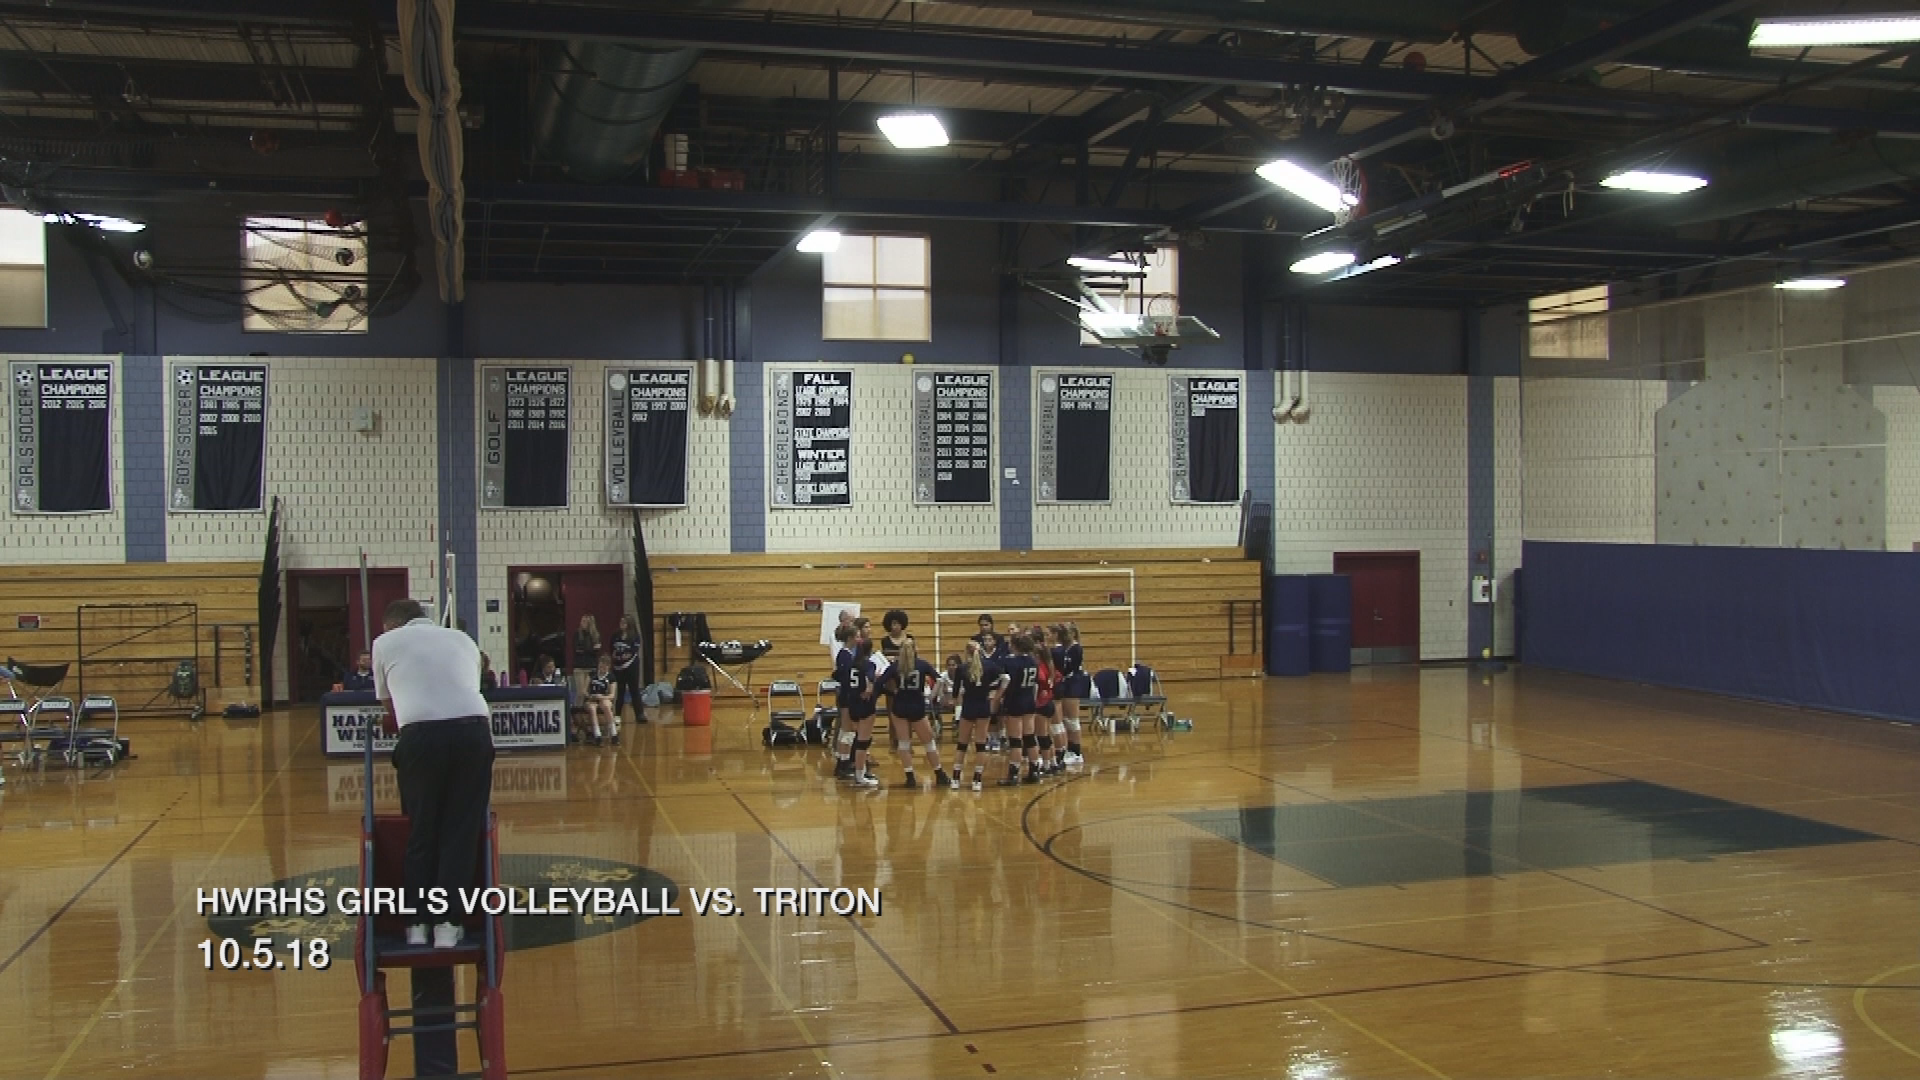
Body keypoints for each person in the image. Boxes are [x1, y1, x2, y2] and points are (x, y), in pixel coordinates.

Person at [370, 598, 495, 951]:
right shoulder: (462, 640)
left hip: (421, 737)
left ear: (392, 625)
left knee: (421, 830)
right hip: (473, 731)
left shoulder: (384, 643)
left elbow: (390, 708)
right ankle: (449, 924)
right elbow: (467, 688)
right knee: (460, 832)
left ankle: (417, 923)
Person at [882, 639, 947, 790]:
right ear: (915, 649)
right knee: (928, 742)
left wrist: (892, 692)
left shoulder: (895, 666)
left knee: (904, 743)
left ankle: (910, 776)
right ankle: (939, 773)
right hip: (917, 707)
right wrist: (932, 696)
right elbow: (940, 679)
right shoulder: (922, 664)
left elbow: (880, 683)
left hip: (899, 707)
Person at [950, 641, 1007, 792]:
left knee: (962, 744)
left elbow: (955, 693)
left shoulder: (962, 668)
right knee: (981, 745)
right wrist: (996, 695)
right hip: (983, 707)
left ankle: (955, 779)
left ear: (967, 652)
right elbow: (1006, 678)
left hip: (968, 707)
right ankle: (977, 780)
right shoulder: (990, 666)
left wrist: (956, 702)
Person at [1051, 624, 1086, 767]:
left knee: (1072, 720)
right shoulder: (1064, 648)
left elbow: (1070, 667)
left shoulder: (1076, 648)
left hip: (1073, 683)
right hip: (1066, 683)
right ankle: (1069, 750)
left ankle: (1077, 752)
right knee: (1065, 719)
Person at [610, 615, 644, 725]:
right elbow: (611, 647)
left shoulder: (635, 636)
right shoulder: (615, 635)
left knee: (634, 690)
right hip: (618, 667)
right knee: (620, 691)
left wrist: (626, 656)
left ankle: (639, 714)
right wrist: (615, 655)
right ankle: (617, 715)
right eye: (621, 621)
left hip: (631, 666)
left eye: (624, 622)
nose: (622, 624)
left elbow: (634, 650)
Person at [583, 653, 619, 747]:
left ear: (608, 667)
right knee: (592, 708)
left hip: (604, 698)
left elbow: (612, 695)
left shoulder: (611, 677)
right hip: (592, 698)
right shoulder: (592, 674)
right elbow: (584, 691)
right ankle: (597, 735)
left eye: (605, 666)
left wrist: (601, 697)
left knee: (606, 705)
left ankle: (614, 734)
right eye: (601, 665)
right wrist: (590, 696)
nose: (602, 668)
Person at [571, 614, 601, 706]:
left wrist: (587, 650)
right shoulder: (577, 634)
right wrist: (591, 649)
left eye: (584, 621)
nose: (582, 623)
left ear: (590, 623)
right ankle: (576, 712)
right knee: (580, 693)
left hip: (591, 667)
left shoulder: (595, 635)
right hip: (579, 667)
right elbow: (577, 649)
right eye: (582, 621)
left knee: (587, 693)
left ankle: (587, 714)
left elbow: (596, 651)